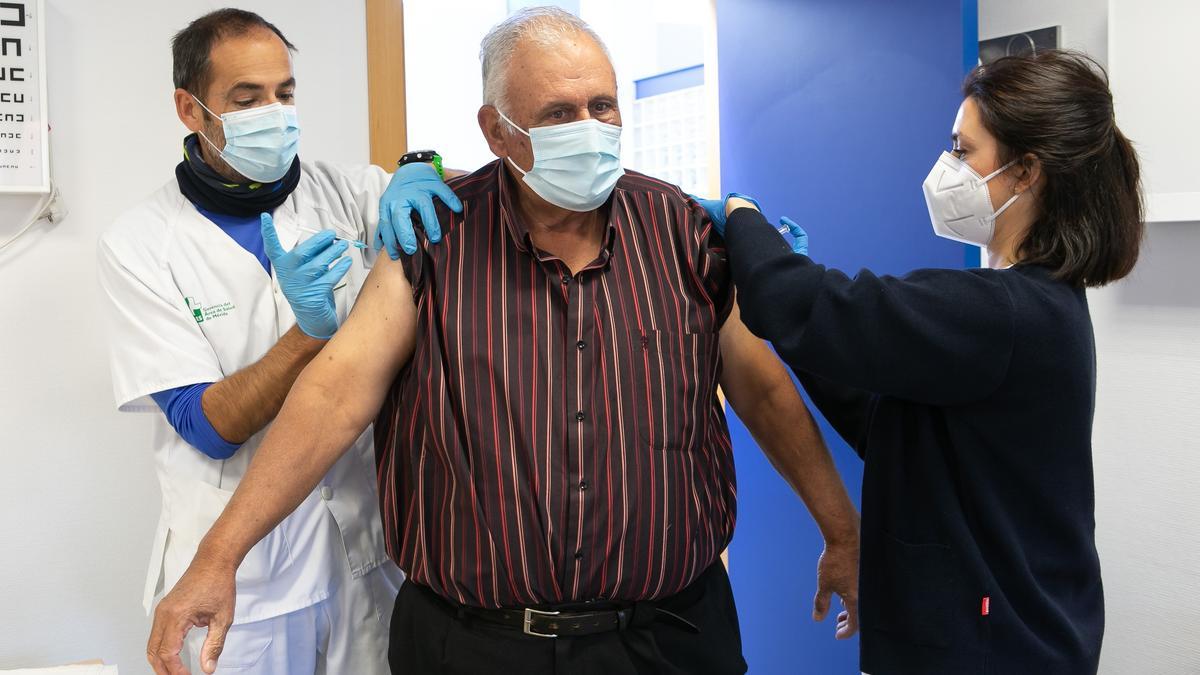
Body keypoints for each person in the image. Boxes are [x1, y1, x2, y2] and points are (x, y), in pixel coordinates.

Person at [144, 7, 862, 675]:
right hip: (471, 644)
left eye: (602, 106)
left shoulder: (689, 237)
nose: (589, 128)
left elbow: (763, 389)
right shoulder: (432, 240)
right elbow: (335, 396)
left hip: (669, 639)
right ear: (495, 130)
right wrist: (218, 555)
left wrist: (842, 529)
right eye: (557, 113)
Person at [711, 50, 1143, 674]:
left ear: (1025, 172)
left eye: (964, 151)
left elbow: (801, 304)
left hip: (995, 648)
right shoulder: (1036, 306)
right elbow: (888, 423)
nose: (948, 167)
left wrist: (741, 219)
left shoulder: (1004, 313)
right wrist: (802, 329)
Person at [96, 9, 454, 674]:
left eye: (285, 93)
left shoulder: (349, 193)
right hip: (242, 578)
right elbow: (210, 424)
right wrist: (309, 335)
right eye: (247, 98)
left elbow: (463, 191)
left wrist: (420, 164)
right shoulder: (143, 244)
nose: (276, 113)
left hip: (360, 552)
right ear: (190, 109)